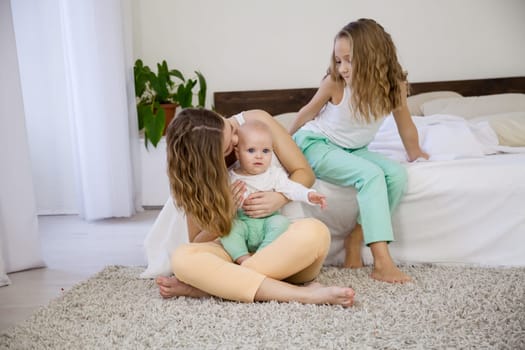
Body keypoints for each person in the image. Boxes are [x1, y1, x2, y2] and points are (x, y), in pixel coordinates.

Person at [155, 108, 355, 306]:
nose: (236, 140)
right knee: (183, 258)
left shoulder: (258, 121)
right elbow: (197, 241)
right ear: (209, 158)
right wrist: (226, 213)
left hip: (283, 250)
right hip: (234, 252)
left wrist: (279, 198)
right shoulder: (197, 178)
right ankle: (305, 295)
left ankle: (211, 287)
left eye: (231, 128)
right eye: (226, 148)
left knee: (315, 232)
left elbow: (304, 172)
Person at [289, 18, 429, 283]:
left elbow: (405, 124)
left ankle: (356, 237)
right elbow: (306, 113)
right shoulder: (334, 84)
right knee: (371, 175)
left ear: (373, 56)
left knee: (396, 175)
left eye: (349, 60)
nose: (342, 68)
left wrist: (416, 152)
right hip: (317, 145)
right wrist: (282, 148)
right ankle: (382, 263)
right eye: (338, 60)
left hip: (353, 149)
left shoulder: (392, 87)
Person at [221, 120, 327, 265]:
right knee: (228, 229)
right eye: (251, 150)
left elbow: (291, 188)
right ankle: (242, 257)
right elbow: (219, 202)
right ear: (238, 153)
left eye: (265, 151)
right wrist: (228, 205)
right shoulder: (230, 177)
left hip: (267, 222)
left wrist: (309, 194)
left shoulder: (274, 174)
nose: (259, 156)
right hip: (243, 223)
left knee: (281, 222)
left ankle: (262, 256)